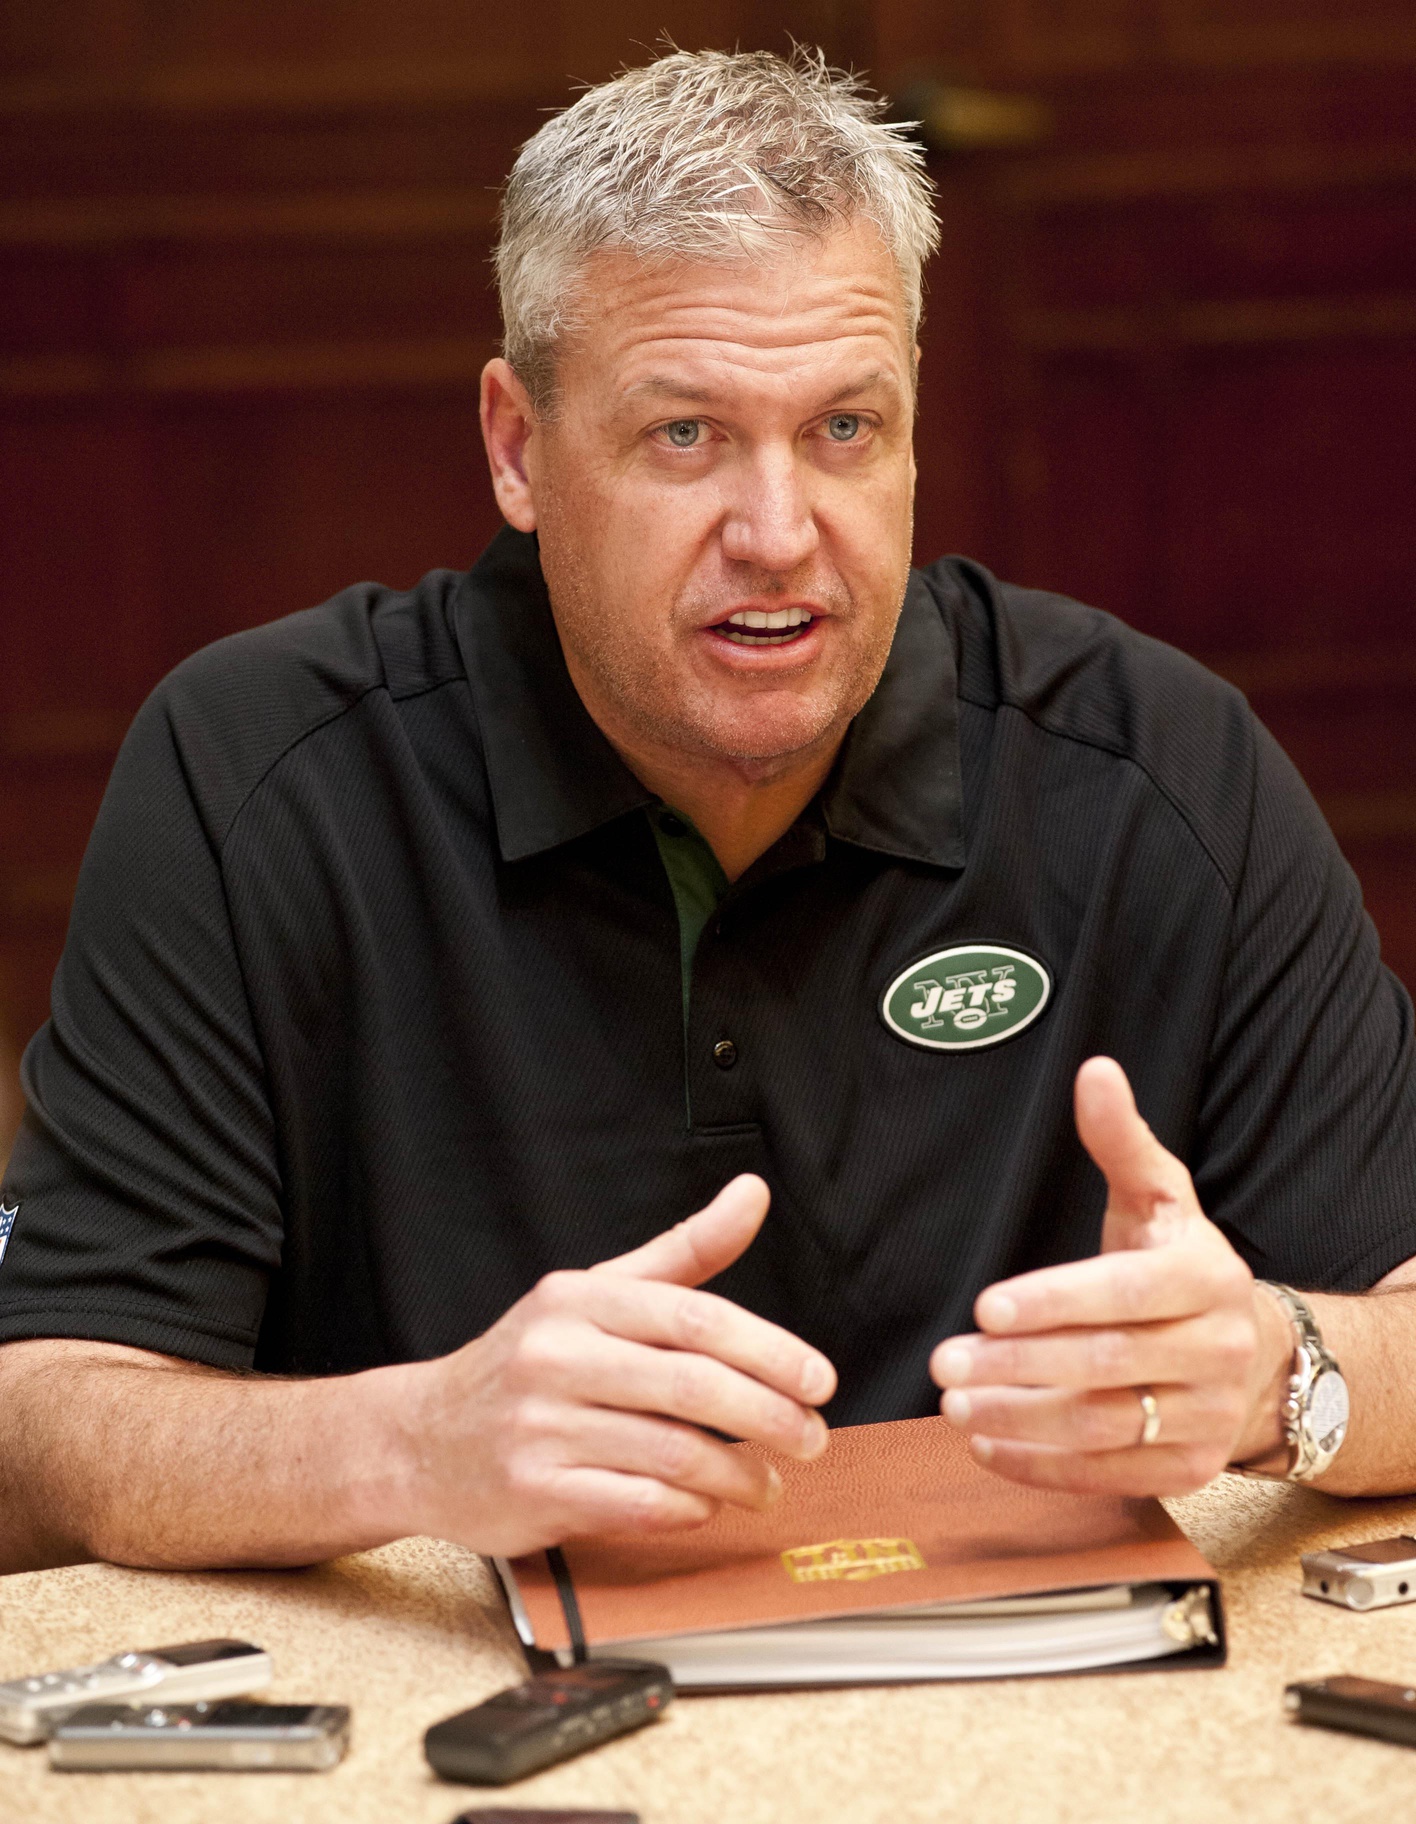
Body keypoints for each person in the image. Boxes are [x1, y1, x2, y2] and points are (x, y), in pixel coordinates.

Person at [2, 48, 1416, 1579]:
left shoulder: (1157, 770)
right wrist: (412, 1442)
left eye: (844, 430)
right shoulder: (259, 772)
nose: (778, 533)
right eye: (686, 435)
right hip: (471, 1745)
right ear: (518, 448)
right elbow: (49, 1419)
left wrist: (1282, 1373)